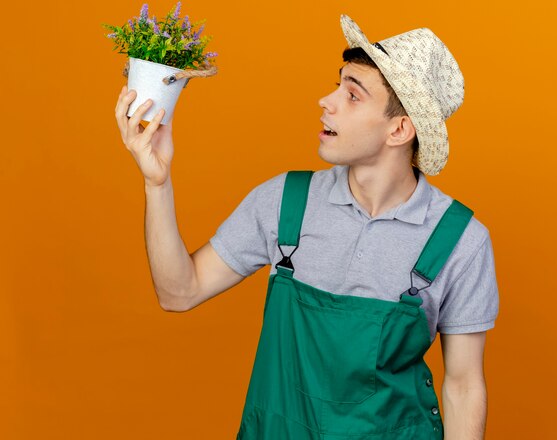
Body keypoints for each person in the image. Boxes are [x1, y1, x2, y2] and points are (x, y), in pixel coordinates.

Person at [114, 13, 499, 440]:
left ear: (400, 129)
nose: (326, 101)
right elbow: (178, 292)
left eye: (352, 95)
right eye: (338, 85)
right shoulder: (285, 202)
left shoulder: (460, 240)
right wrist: (157, 182)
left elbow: (463, 384)